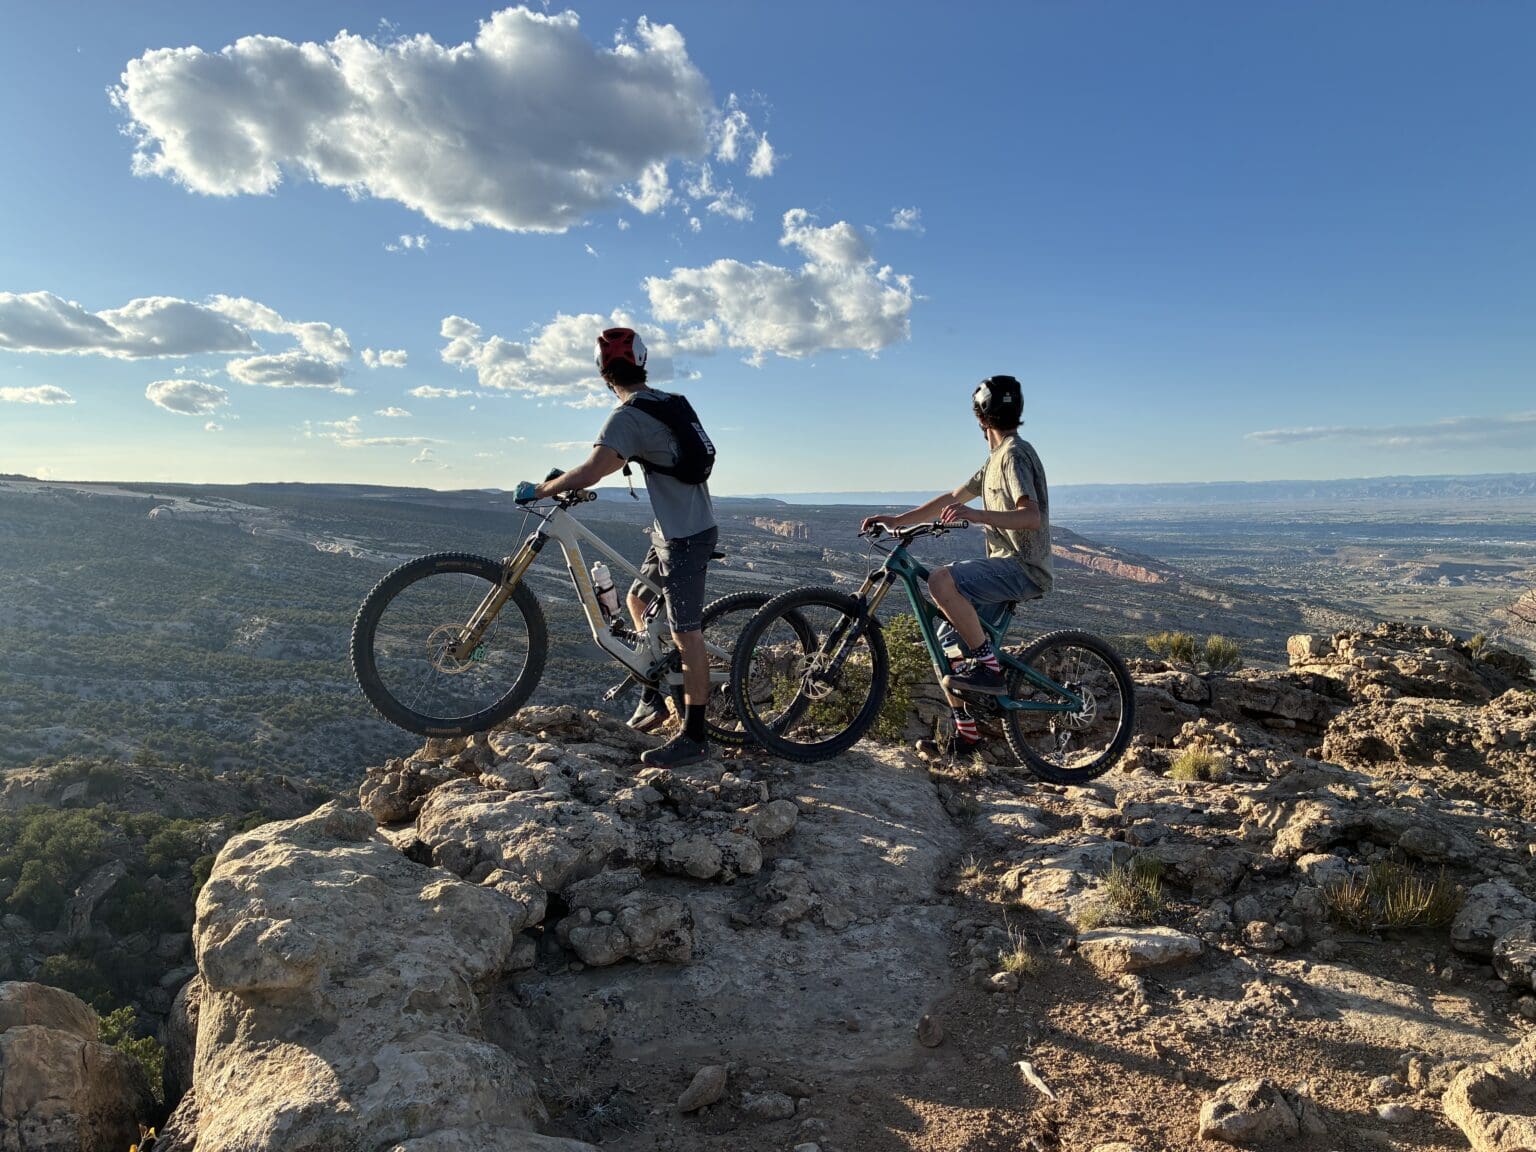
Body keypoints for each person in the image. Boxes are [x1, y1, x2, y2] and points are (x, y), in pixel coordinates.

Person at [514, 327, 718, 768]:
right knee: (636, 600)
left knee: (686, 632)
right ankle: (653, 694)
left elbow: (594, 469)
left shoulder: (627, 416)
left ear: (603, 374)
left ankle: (696, 736)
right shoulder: (668, 402)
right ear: (642, 364)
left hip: (684, 537)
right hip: (677, 529)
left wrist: (542, 488)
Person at [860, 375, 1051, 753]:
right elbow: (951, 496)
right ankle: (967, 736)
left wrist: (976, 516)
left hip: (1021, 567)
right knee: (945, 643)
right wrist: (898, 520)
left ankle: (989, 667)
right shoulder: (994, 460)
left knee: (941, 582)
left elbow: (1031, 517)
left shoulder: (1012, 454)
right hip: (1005, 566)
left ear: (980, 419)